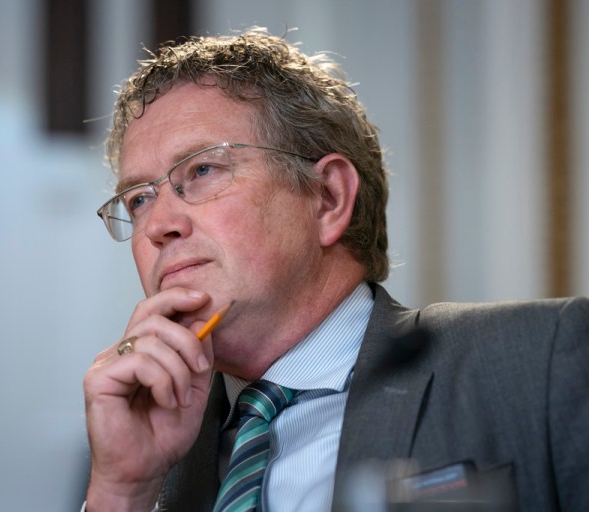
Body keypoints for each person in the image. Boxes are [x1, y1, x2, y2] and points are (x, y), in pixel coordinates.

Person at [82, 28, 589, 511]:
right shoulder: (141, 443)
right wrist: (122, 494)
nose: (157, 226)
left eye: (202, 170)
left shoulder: (543, 361)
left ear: (328, 198)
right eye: (139, 198)